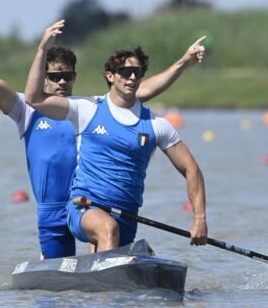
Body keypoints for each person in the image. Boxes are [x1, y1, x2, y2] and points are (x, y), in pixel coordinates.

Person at [0, 20, 206, 258]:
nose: (61, 82)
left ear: (74, 77)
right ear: (43, 77)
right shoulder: (26, 108)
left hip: (98, 203)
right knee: (73, 268)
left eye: (66, 76)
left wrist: (183, 62)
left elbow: (140, 86)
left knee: (106, 233)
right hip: (56, 211)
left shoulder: (87, 107)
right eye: (54, 76)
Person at [25, 20, 208, 252]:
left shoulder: (157, 125)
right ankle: (104, 282)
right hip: (84, 208)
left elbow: (192, 169)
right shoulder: (87, 108)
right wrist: (42, 49)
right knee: (108, 229)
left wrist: (199, 219)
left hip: (127, 217)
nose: (132, 77)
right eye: (125, 72)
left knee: (113, 235)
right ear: (110, 76)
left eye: (137, 72)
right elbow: (33, 98)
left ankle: (95, 275)